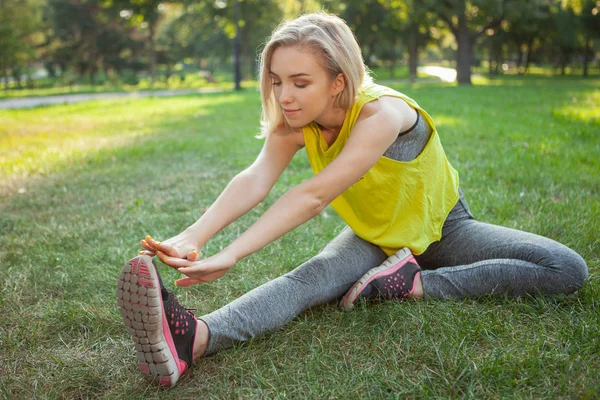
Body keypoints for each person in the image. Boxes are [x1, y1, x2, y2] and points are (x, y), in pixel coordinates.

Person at [116, 12, 589, 387]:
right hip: (372, 237)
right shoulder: (298, 123)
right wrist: (194, 236)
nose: (284, 96)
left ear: (338, 81)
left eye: (300, 83)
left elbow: (314, 194)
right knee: (306, 281)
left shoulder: (385, 113)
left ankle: (408, 284)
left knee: (566, 268)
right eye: (277, 81)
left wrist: (233, 254)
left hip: (445, 229)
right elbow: (256, 177)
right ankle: (192, 339)